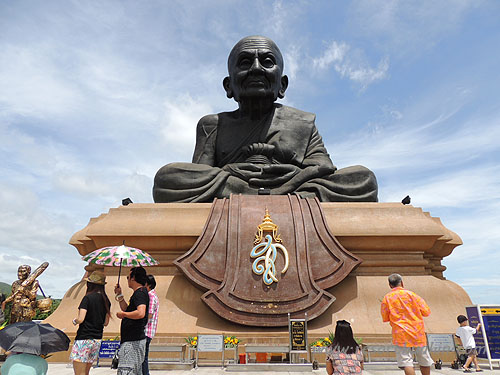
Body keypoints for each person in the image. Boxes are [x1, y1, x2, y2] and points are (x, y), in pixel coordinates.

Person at [153, 35, 378, 203]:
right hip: (241, 185)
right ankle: (272, 195)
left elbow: (324, 167)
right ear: (228, 86)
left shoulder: (302, 122)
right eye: (245, 63)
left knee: (363, 179)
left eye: (267, 61)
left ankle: (269, 194)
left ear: (282, 85)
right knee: (167, 178)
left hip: (292, 185)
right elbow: (198, 178)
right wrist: (231, 172)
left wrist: (295, 176)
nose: (256, 69)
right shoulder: (212, 124)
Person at [381, 273, 433, 375]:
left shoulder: (387, 298)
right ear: (402, 283)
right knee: (424, 359)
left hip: (400, 333)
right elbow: (426, 312)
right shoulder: (413, 295)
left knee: (406, 362)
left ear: (390, 285)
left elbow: (385, 317)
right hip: (417, 332)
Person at [69, 270, 111, 375]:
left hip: (84, 339)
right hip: (96, 340)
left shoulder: (87, 298)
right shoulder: (106, 300)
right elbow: (105, 323)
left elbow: (81, 319)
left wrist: (75, 321)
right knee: (86, 372)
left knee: (79, 373)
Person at [114, 267, 149, 375]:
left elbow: (140, 313)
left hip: (133, 341)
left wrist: (124, 315)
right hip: (132, 339)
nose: (127, 279)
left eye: (128, 277)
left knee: (126, 370)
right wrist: (119, 295)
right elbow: (127, 309)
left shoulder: (140, 293)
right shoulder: (138, 293)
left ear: (133, 278)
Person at [142, 275, 159, 375]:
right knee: (143, 357)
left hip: (146, 331)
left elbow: (149, 314)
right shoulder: (152, 295)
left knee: (143, 358)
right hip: (148, 331)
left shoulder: (151, 296)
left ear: (148, 285)